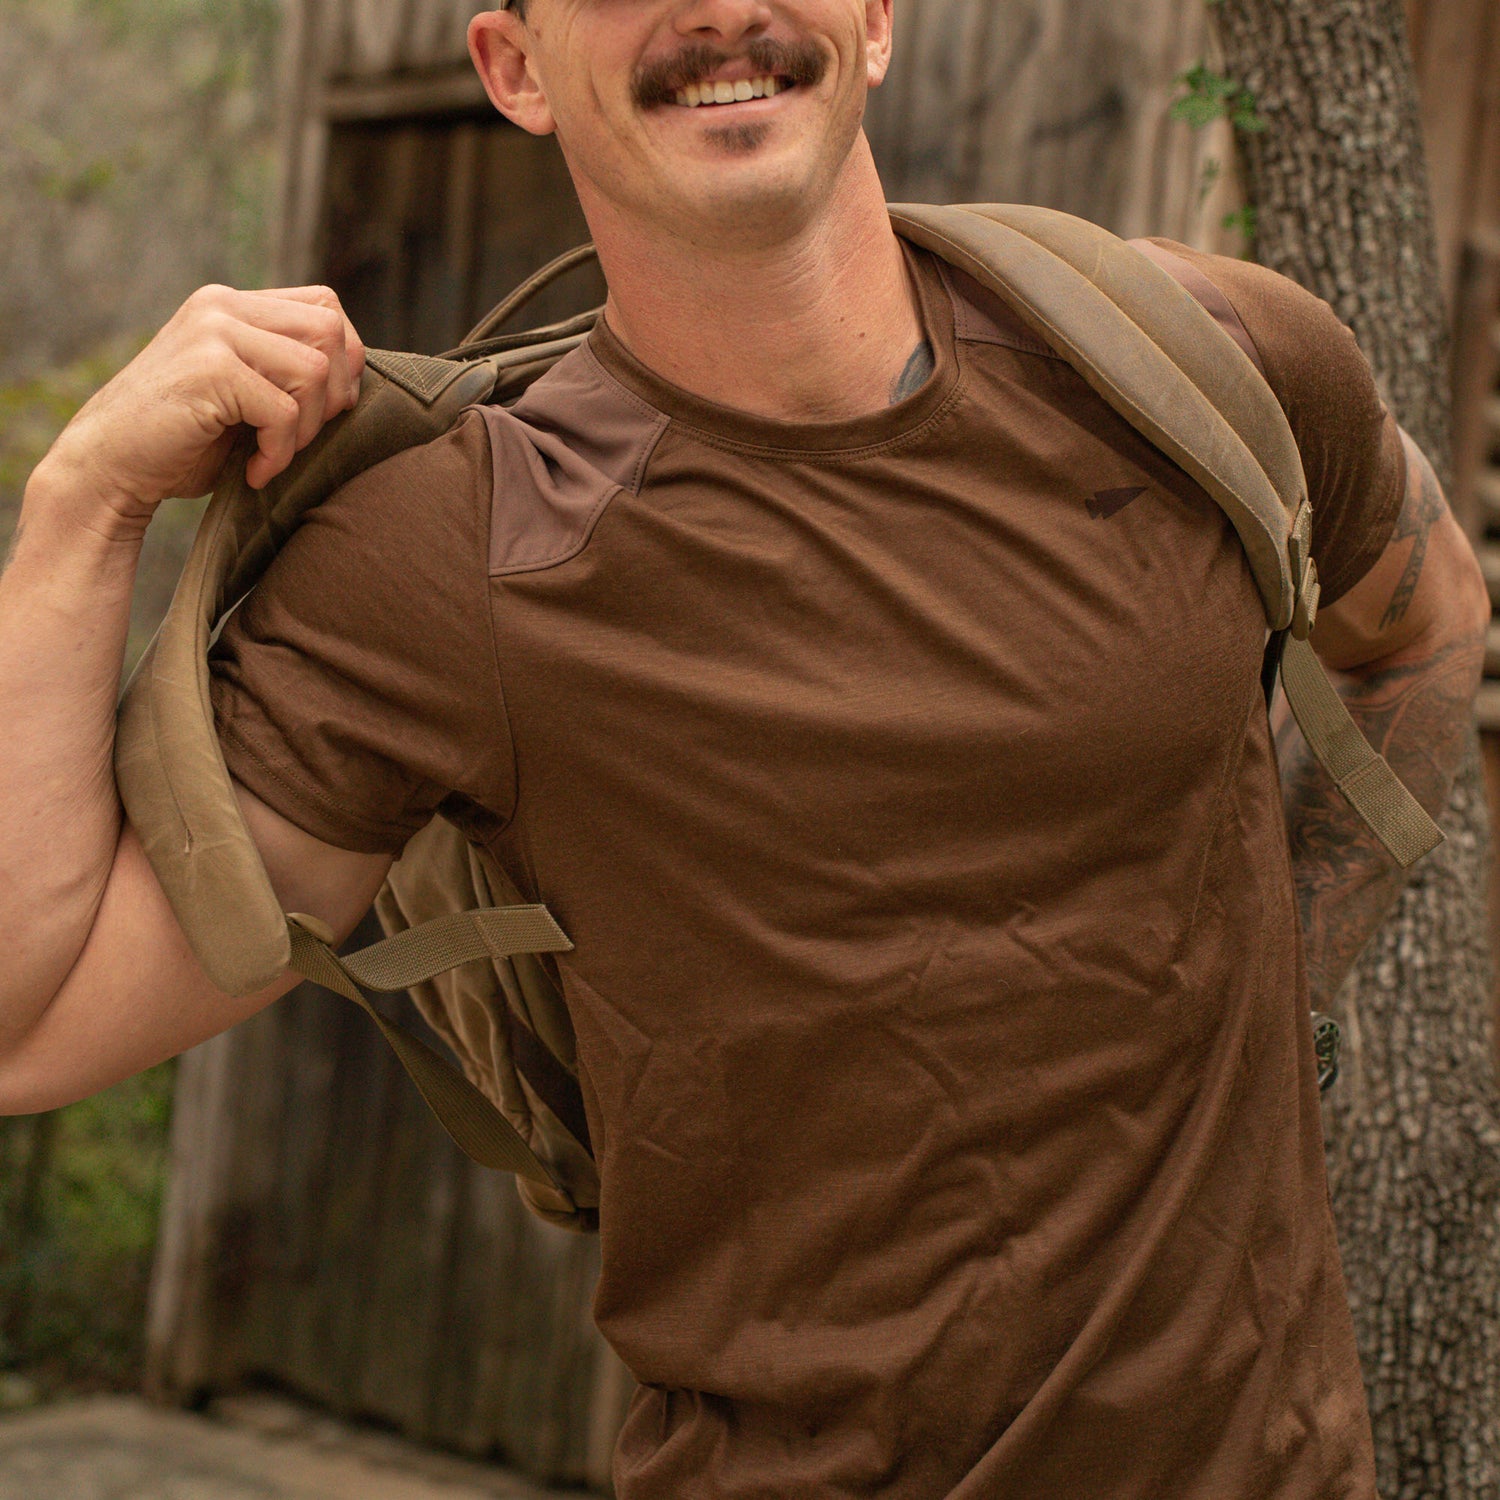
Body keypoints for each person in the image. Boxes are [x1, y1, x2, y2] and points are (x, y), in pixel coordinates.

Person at [0, 0, 1487, 1494]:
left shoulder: (1189, 361)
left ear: (878, 20)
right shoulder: (454, 557)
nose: (719, 9)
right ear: (515, 68)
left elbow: (1423, 626)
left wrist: (1295, 953)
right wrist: (85, 508)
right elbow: (30, 1021)